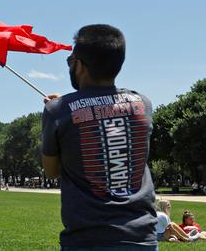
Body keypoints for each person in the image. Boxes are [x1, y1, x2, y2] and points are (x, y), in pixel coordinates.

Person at [42, 24, 158, 249]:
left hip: (87, 239)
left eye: (70, 61)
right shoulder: (143, 104)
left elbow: (52, 170)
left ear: (80, 65)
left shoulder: (58, 111)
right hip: (142, 237)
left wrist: (61, 109)